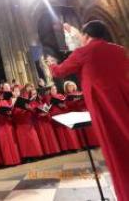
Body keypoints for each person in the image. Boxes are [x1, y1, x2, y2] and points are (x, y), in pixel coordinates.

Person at [47, 20, 129, 201]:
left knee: (117, 154)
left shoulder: (83, 52)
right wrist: (75, 34)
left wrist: (51, 64)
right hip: (125, 104)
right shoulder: (119, 50)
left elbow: (59, 72)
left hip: (105, 109)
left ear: (86, 36)